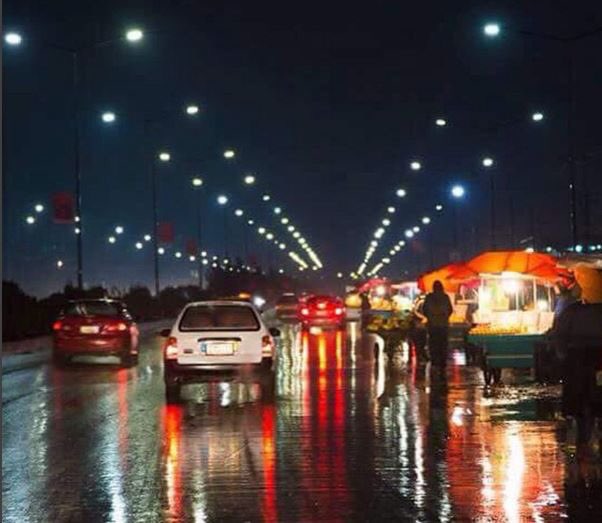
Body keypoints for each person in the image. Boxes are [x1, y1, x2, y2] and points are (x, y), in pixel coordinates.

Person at [423, 280, 453, 376]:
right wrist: (444, 317)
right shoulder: (445, 297)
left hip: (432, 325)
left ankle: (435, 362)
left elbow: (424, 310)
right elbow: (450, 310)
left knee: (433, 344)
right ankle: (442, 362)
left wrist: (430, 317)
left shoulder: (429, 297)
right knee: (443, 344)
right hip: (443, 325)